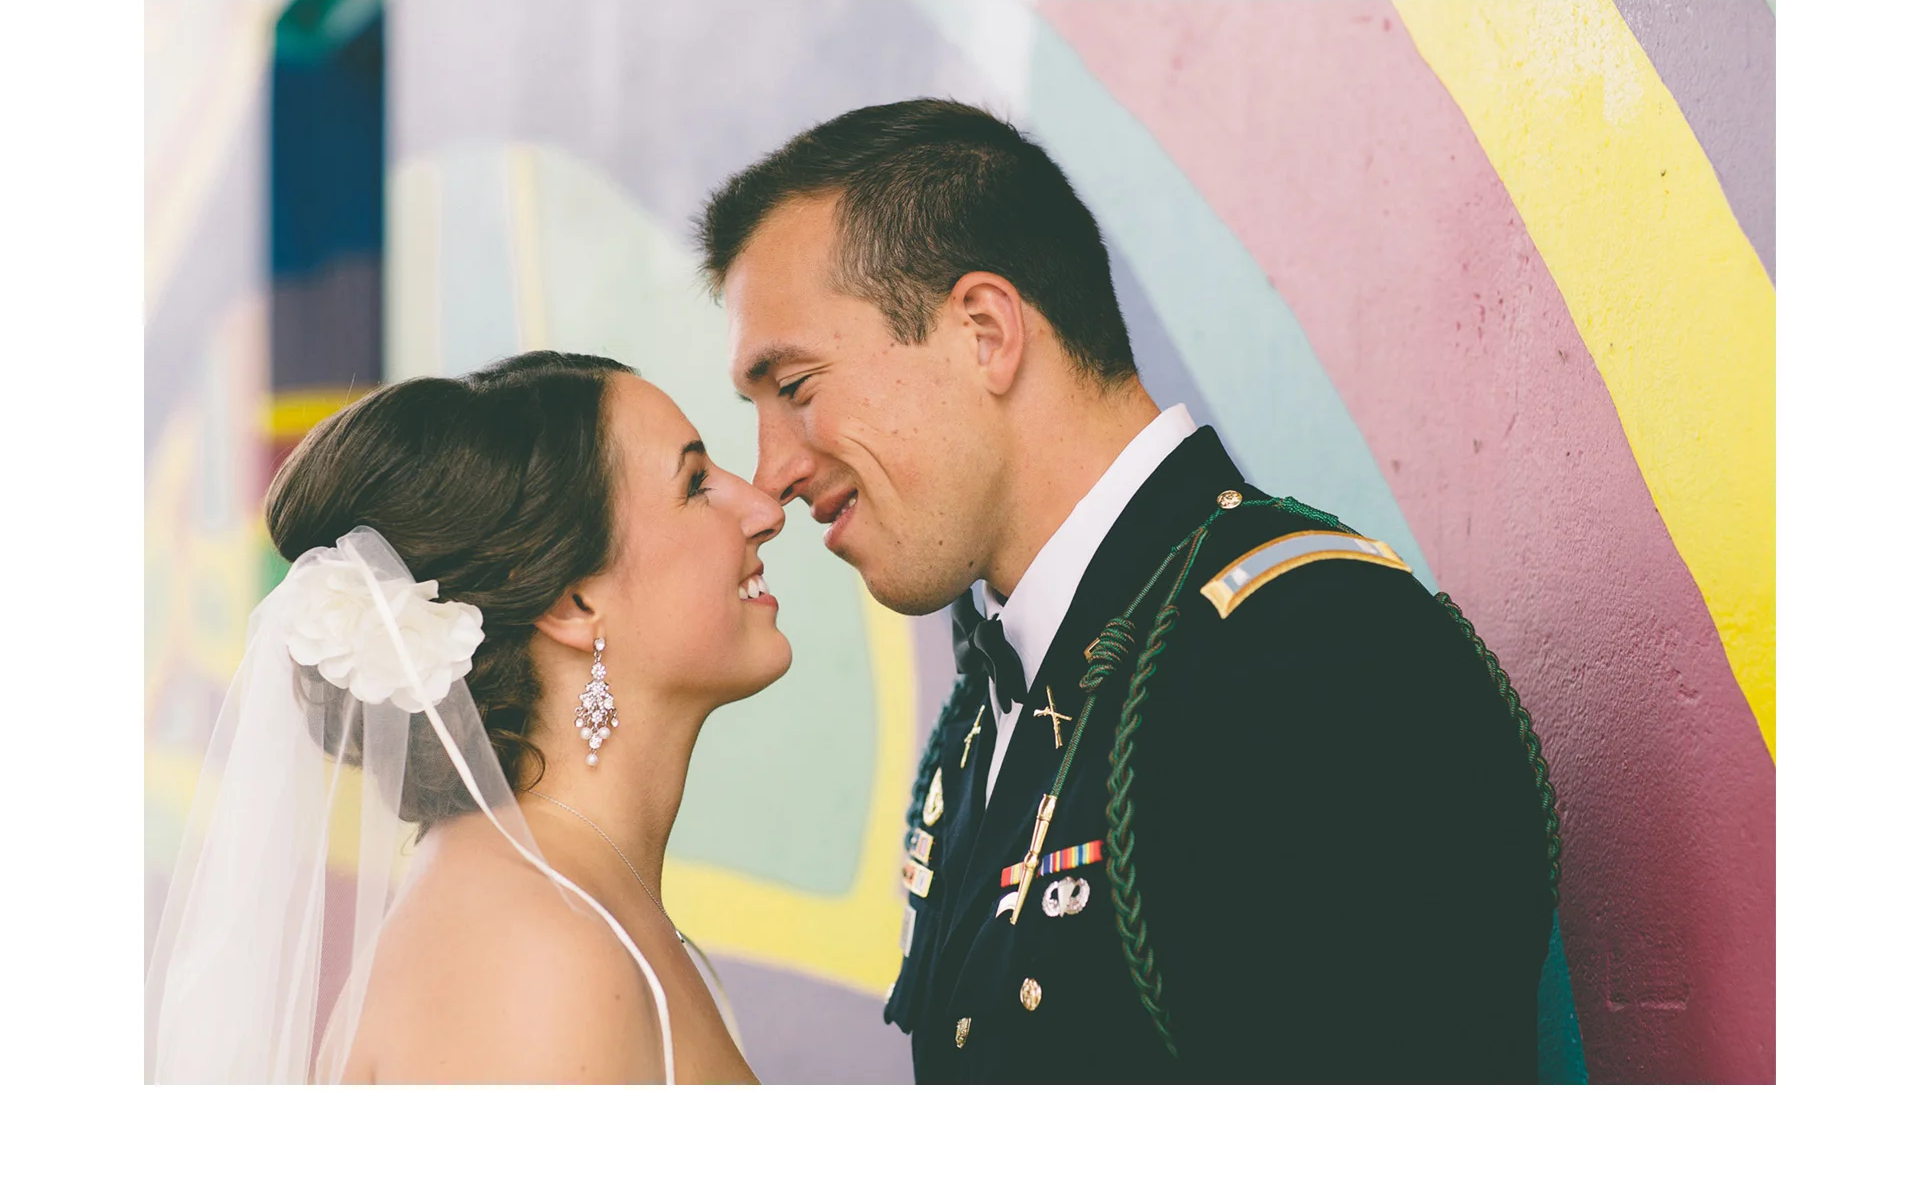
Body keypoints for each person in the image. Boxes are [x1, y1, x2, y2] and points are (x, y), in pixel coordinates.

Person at [702, 98, 1562, 1082]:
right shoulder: (993, 701)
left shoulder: (1314, 648)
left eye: (797, 387)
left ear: (985, 331)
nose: (770, 473)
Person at [145, 352, 786, 1083]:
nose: (765, 510)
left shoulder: (554, 902)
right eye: (696, 484)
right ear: (574, 602)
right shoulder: (528, 955)